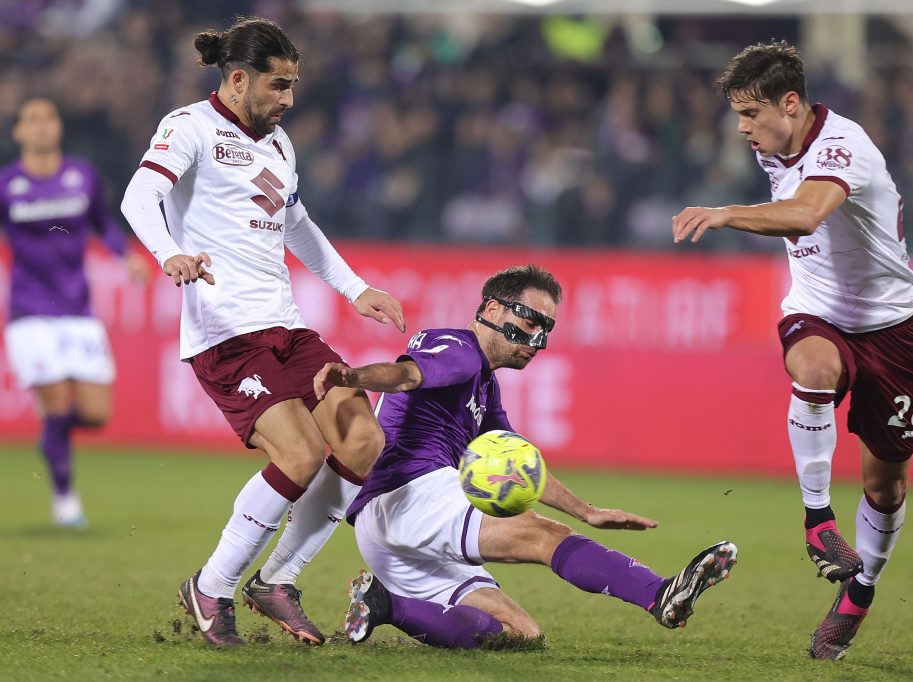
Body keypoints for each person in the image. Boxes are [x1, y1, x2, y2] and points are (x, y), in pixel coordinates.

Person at [120, 17, 406, 647]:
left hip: (286, 327)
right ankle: (213, 584)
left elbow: (297, 224)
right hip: (224, 333)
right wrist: (169, 253)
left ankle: (277, 579)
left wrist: (356, 289)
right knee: (301, 455)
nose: (289, 100)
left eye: (294, 86)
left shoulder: (279, 145)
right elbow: (138, 197)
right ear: (240, 77)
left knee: (362, 440)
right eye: (279, 86)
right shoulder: (188, 127)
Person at [312, 264, 738, 649]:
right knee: (542, 535)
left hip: (384, 528)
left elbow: (522, 469)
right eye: (529, 319)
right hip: (412, 495)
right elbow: (407, 374)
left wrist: (586, 512)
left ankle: (387, 605)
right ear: (494, 309)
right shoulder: (458, 349)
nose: (537, 338)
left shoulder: (484, 386)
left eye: (545, 328)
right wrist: (354, 376)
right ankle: (659, 593)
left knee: (521, 636)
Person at [671, 41, 913, 660]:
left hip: (891, 325)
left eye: (750, 114)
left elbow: (809, 214)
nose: (741, 129)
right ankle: (818, 521)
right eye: (737, 115)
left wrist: (726, 214)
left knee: (885, 487)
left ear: (791, 104)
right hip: (815, 309)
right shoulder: (779, 140)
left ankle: (860, 590)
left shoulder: (844, 147)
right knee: (812, 367)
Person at [1, 97, 149, 529]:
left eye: (48, 119)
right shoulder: (8, 184)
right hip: (28, 311)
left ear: (58, 128)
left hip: (78, 310)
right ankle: (65, 499)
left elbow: (104, 224)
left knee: (96, 413)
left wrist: (127, 256)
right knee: (54, 397)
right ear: (19, 132)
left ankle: (52, 437)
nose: (42, 127)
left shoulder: (81, 176)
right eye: (32, 120)